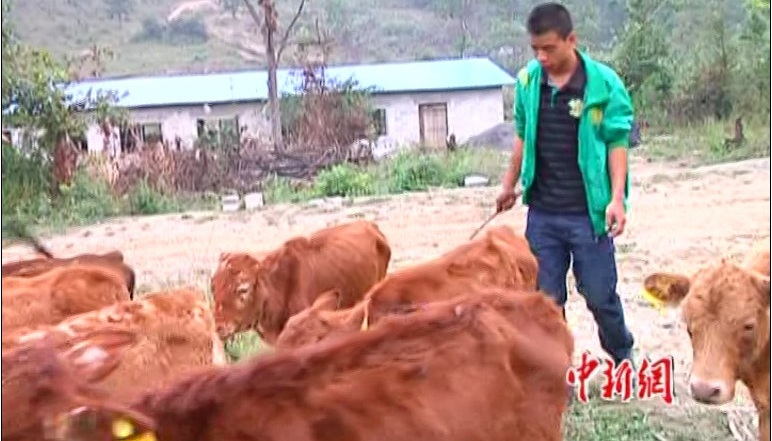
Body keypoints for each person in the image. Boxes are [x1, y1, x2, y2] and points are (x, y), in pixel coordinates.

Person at [495, 2, 635, 366]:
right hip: (543, 213)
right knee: (545, 299)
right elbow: (522, 135)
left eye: (549, 48)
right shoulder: (529, 81)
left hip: (589, 214)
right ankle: (557, 368)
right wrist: (508, 185)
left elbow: (617, 142)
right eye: (535, 49)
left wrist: (616, 199)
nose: (541, 57)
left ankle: (622, 355)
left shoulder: (603, 84)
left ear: (571, 40)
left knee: (600, 294)